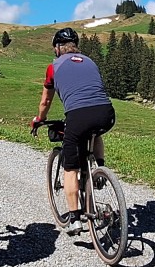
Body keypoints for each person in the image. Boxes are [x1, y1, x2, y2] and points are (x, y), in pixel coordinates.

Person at [32, 27, 115, 235]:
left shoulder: (54, 67)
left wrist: (38, 120)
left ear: (58, 48)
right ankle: (100, 169)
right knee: (95, 132)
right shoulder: (90, 61)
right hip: (107, 112)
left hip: (78, 116)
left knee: (71, 169)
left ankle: (75, 218)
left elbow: (45, 101)